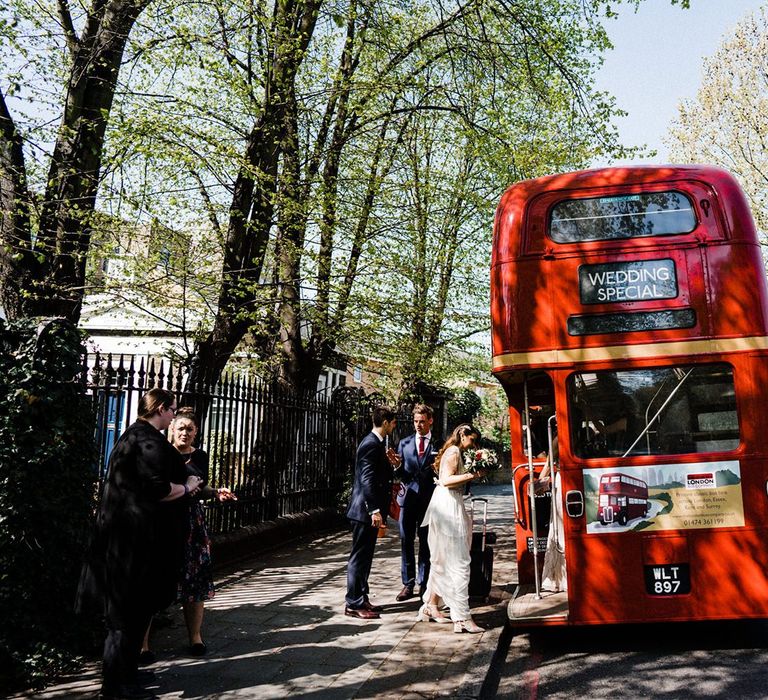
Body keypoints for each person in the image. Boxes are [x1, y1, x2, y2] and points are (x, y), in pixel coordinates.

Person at [77, 389, 202, 700]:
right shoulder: (148, 441)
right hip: (134, 546)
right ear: (160, 408)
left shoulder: (130, 436)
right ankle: (117, 687)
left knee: (131, 616)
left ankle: (126, 677)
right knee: (127, 618)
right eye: (172, 409)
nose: (175, 415)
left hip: (125, 542)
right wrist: (186, 487)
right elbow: (158, 489)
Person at [139, 407, 236, 661]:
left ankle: (195, 637)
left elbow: (200, 487)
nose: (185, 433)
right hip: (164, 521)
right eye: (180, 427)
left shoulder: (200, 457)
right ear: (171, 429)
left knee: (195, 581)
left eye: (190, 429)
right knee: (151, 582)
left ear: (196, 433)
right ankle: (143, 644)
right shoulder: (161, 451)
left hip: (192, 524)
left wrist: (215, 492)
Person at [418, 424, 486, 634]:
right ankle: (462, 618)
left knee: (441, 559)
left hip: (445, 504)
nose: (472, 445)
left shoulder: (453, 450)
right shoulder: (455, 451)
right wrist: (473, 475)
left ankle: (430, 606)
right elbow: (447, 480)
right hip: (448, 507)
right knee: (459, 562)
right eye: (471, 440)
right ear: (463, 435)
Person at [344, 405, 398, 619]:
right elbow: (366, 480)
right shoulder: (370, 444)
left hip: (368, 511)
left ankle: (362, 597)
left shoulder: (378, 443)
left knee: (366, 557)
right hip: (364, 511)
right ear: (385, 422)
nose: (394, 427)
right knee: (359, 557)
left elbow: (378, 475)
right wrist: (374, 509)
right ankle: (353, 603)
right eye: (393, 423)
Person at [393, 404, 439, 601]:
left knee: (427, 543)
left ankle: (424, 583)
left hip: (430, 502)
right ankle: (407, 584)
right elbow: (402, 474)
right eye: (415, 421)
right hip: (408, 500)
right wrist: (396, 467)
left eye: (422, 421)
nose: (418, 425)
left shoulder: (440, 443)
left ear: (430, 421)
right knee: (406, 541)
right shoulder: (404, 443)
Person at [538, 435, 566, 592]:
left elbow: (548, 464)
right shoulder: (559, 439)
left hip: (563, 481)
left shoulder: (558, 438)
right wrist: (540, 481)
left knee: (560, 526)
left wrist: (540, 480)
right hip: (564, 482)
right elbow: (549, 463)